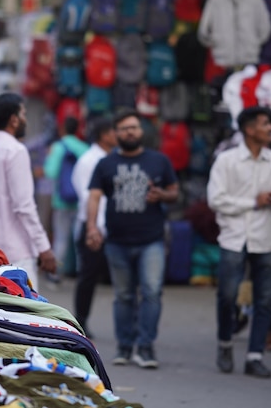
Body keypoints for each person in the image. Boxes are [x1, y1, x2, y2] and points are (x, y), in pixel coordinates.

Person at [86, 108, 179, 368]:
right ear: (115, 134)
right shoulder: (105, 164)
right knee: (124, 295)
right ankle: (125, 347)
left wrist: (161, 195)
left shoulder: (159, 161)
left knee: (151, 293)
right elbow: (94, 196)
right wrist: (92, 227)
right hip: (117, 241)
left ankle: (146, 347)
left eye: (134, 127)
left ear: (141, 131)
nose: (130, 132)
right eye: (124, 128)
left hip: (152, 239)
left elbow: (174, 192)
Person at [207, 106, 271, 378]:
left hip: (266, 237)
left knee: (266, 300)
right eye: (266, 124)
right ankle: (225, 344)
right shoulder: (226, 160)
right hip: (233, 236)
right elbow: (215, 199)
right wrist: (253, 203)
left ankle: (255, 355)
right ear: (249, 129)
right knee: (227, 296)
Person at [0, 92, 57, 291]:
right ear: (14, 120)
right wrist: (44, 248)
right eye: (23, 115)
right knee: (25, 316)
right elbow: (24, 206)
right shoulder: (16, 151)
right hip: (16, 254)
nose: (26, 121)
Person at [71, 117, 117, 338]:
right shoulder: (90, 160)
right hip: (94, 226)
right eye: (113, 131)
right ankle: (80, 320)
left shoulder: (109, 158)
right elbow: (88, 195)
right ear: (104, 135)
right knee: (88, 277)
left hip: (108, 225)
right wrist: (95, 227)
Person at [43, 116, 89, 283]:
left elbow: (51, 172)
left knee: (61, 237)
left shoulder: (57, 147)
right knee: (79, 238)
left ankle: (55, 273)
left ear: (63, 128)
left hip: (61, 200)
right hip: (80, 200)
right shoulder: (84, 148)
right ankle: (81, 272)